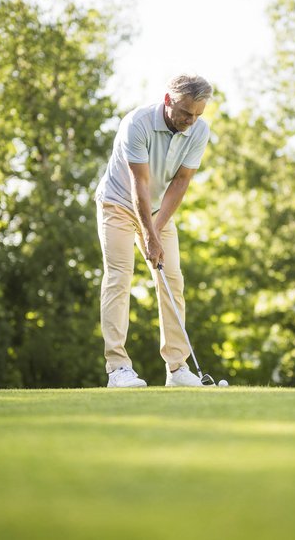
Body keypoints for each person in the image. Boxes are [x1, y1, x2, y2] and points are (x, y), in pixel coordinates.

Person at [94, 74, 213, 387]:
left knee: (172, 278)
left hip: (159, 209)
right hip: (117, 203)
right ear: (168, 101)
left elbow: (182, 180)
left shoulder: (199, 130)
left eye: (198, 114)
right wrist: (149, 234)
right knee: (120, 277)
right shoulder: (138, 123)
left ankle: (177, 368)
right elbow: (140, 183)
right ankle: (118, 367)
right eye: (186, 112)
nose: (191, 120)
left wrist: (156, 230)